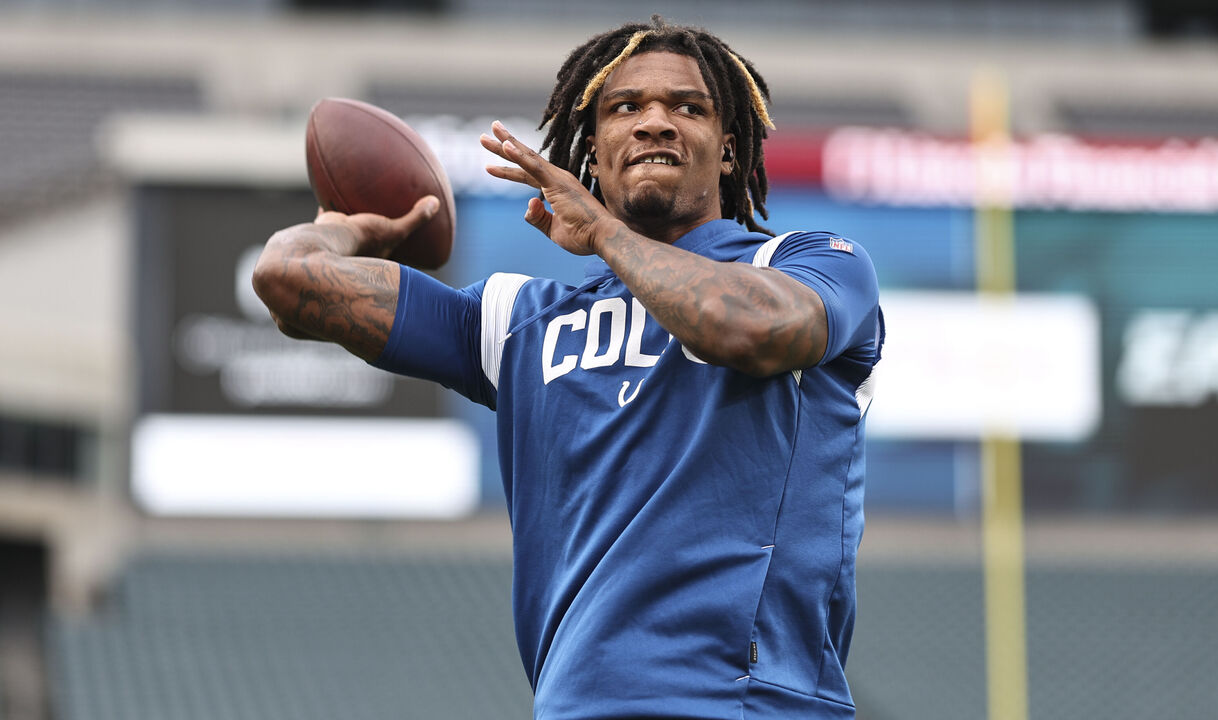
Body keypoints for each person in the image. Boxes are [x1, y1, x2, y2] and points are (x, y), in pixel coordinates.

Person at [254, 16, 883, 719]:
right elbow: (290, 281)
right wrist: (352, 228)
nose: (655, 123)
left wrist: (604, 233)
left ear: (729, 150)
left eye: (687, 107)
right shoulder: (520, 323)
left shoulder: (812, 264)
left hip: (747, 705)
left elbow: (752, 328)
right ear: (593, 153)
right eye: (626, 107)